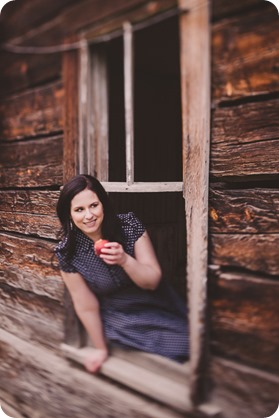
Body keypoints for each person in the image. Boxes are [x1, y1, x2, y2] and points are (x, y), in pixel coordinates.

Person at [55, 174, 189, 373]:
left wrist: (125, 260)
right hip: (121, 315)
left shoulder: (128, 226)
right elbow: (86, 306)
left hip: (157, 301)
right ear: (69, 215)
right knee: (182, 346)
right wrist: (101, 350)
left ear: (103, 204)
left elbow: (152, 281)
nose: (88, 215)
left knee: (198, 341)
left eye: (94, 205)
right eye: (79, 210)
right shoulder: (68, 252)